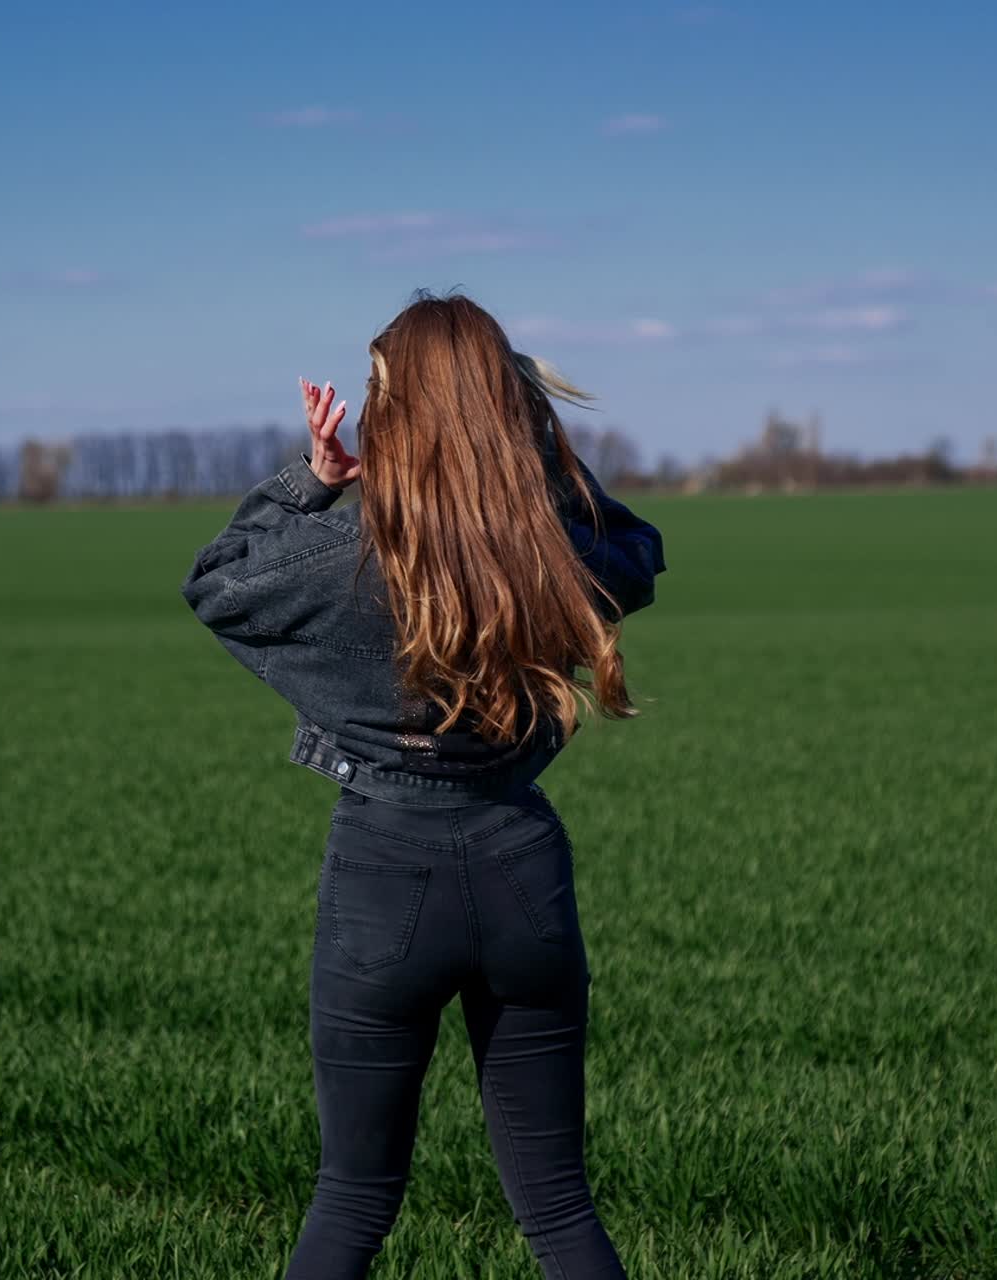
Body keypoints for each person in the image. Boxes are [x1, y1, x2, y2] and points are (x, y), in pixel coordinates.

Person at [179, 288, 666, 1278]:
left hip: (380, 883)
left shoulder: (336, 555)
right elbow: (638, 547)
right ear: (500, 407)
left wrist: (313, 483)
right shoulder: (551, 551)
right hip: (523, 875)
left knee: (351, 1201)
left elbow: (217, 580)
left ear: (385, 413)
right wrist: (524, 438)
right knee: (560, 1207)